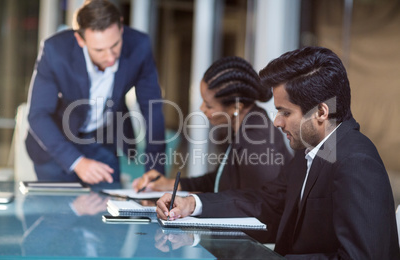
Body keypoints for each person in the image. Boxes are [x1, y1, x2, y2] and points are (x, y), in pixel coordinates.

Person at [156, 47, 400, 259]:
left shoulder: (357, 162)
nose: (276, 122)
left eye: (285, 112)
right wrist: (191, 203)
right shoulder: (317, 150)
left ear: (321, 113)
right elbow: (265, 201)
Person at [26, 0, 165, 185]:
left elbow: (152, 108)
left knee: (111, 206)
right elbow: (38, 115)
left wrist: (155, 171)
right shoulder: (55, 51)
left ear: (121, 28)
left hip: (103, 143)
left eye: (115, 45)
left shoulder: (139, 45)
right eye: (99, 50)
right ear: (80, 40)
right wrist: (77, 162)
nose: (110, 57)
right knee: (59, 211)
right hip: (56, 147)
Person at [132, 56, 291, 193]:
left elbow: (256, 203)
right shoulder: (247, 126)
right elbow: (221, 179)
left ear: (236, 107)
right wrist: (171, 184)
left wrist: (194, 203)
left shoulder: (256, 139)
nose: (201, 109)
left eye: (209, 105)